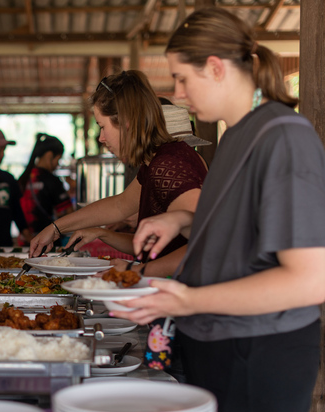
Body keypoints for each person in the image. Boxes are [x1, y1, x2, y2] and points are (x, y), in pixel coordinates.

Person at [117, 8, 325, 412]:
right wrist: (181, 222)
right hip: (227, 347)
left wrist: (189, 298)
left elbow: (307, 280)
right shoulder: (236, 134)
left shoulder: (284, 136)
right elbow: (247, 224)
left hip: (258, 353)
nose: (178, 93)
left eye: (182, 78)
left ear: (217, 67)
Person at [29, 71, 208, 279]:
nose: (101, 138)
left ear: (126, 122)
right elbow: (121, 205)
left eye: (103, 127)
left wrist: (135, 271)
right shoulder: (156, 160)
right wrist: (56, 228)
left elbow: (204, 245)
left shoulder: (169, 165)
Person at [19, 133, 73, 235]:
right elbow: (69, 213)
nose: (58, 164)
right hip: (47, 242)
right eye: (58, 159)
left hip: (24, 240)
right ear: (49, 155)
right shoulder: (53, 181)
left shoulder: (23, 178)